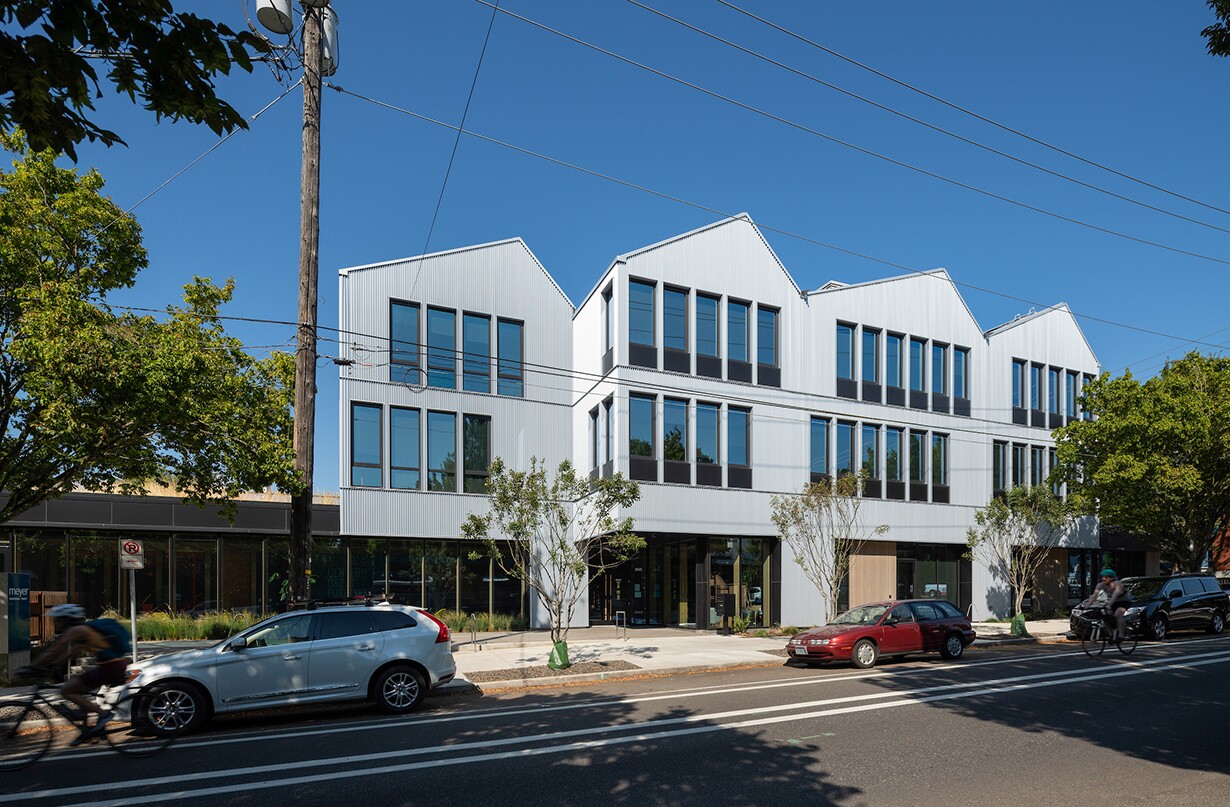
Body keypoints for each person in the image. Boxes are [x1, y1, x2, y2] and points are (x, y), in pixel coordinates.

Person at [24, 604, 132, 741]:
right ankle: (87, 731)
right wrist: (54, 665)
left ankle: (103, 714)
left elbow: (54, 650)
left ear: (66, 619)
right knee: (78, 689)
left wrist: (31, 666)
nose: (55, 623)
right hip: (113, 665)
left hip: (110, 667)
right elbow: (72, 652)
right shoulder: (84, 631)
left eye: (57, 620)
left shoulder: (77, 630)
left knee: (66, 690)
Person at [1082, 569, 1133, 642]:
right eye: (1102, 577)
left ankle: (1121, 635)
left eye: (1106, 577)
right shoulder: (1100, 585)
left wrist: (1109, 605)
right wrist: (1087, 606)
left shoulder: (1118, 584)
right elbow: (1094, 596)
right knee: (1104, 616)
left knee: (1118, 614)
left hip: (1124, 601)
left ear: (1111, 578)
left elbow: (1115, 595)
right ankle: (1111, 633)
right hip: (1113, 601)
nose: (1103, 579)